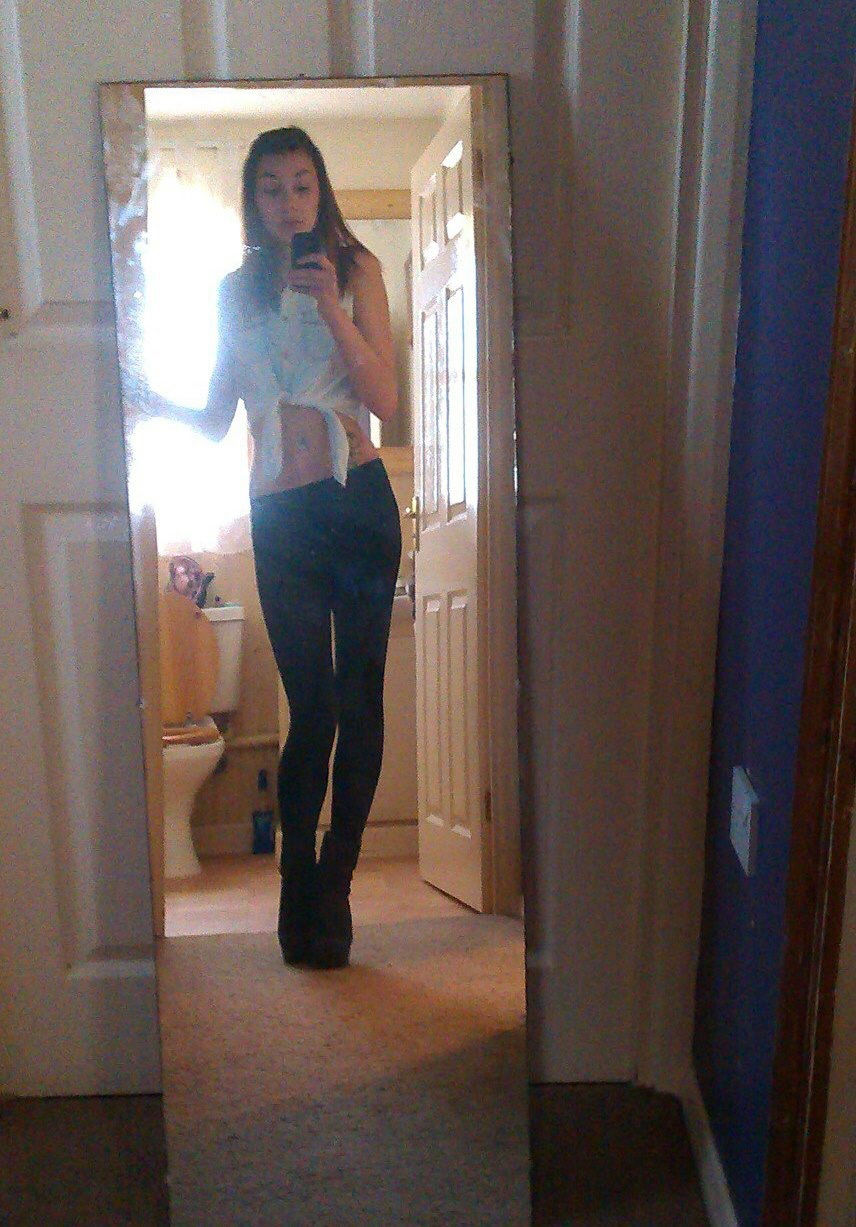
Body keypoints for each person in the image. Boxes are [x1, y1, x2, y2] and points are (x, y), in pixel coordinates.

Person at [137, 127, 402, 969]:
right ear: (252, 200)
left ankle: (337, 886)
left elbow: (386, 399)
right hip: (282, 519)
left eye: (302, 185)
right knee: (311, 707)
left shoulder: (357, 270)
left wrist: (331, 310)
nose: (289, 202)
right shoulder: (234, 292)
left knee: (359, 703)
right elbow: (218, 416)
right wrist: (146, 395)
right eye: (272, 187)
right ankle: (296, 883)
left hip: (358, 505)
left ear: (321, 192)